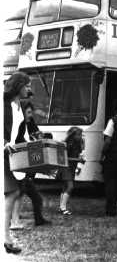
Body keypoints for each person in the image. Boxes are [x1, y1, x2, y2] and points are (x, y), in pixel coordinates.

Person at [11, 101, 52, 227]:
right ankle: (15, 221)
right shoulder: (19, 125)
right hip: (20, 165)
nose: (30, 115)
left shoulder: (30, 123)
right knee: (23, 194)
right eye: (28, 112)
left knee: (28, 195)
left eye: (31, 112)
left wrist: (39, 137)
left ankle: (36, 220)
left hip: (26, 165)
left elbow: (36, 136)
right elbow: (18, 141)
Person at [3, 71, 31, 254]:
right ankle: (6, 238)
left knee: (12, 193)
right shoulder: (4, 103)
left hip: (10, 154)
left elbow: (20, 134)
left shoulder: (19, 106)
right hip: (4, 152)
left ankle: (6, 238)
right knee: (12, 193)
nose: (29, 89)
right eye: (27, 85)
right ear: (19, 85)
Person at [55, 127, 85, 215]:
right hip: (66, 167)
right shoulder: (67, 144)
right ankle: (63, 207)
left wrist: (79, 162)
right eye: (79, 135)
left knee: (65, 187)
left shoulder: (79, 143)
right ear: (73, 135)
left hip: (72, 167)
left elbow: (80, 154)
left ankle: (61, 207)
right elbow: (64, 158)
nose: (81, 136)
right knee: (70, 186)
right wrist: (77, 160)